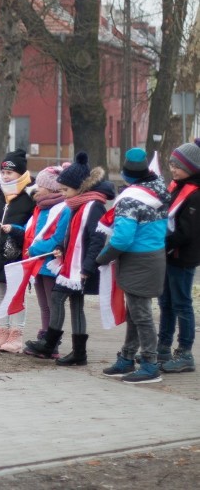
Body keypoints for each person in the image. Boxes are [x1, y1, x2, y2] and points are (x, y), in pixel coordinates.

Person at [24, 152, 114, 364]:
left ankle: (51, 343)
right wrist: (59, 247)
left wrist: (87, 267)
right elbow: (71, 235)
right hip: (70, 263)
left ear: (79, 187)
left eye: (65, 189)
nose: (63, 194)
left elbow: (96, 239)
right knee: (74, 304)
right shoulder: (78, 204)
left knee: (59, 298)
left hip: (82, 267)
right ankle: (77, 353)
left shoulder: (93, 206)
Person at [99, 148, 170, 383]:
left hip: (137, 260)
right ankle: (127, 358)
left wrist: (103, 256)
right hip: (154, 256)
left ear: (127, 174)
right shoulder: (159, 190)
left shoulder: (130, 199)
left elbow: (122, 238)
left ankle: (150, 364)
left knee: (141, 314)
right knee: (136, 312)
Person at [0, 149, 36, 352]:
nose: (5, 176)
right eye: (3, 172)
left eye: (10, 173)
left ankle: (16, 335)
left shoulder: (30, 196)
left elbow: (33, 227)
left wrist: (16, 231)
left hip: (17, 252)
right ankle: (1, 333)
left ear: (20, 173)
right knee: (1, 291)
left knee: (16, 294)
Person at [156, 139, 200, 373]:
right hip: (167, 253)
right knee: (166, 303)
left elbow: (187, 231)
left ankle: (185, 352)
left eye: (178, 166)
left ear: (192, 167)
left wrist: (163, 243)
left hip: (182, 257)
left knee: (182, 303)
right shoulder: (176, 187)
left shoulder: (194, 195)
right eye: (171, 164)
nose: (173, 169)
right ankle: (162, 346)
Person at [23, 165, 71, 357]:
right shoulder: (40, 207)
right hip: (37, 262)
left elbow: (57, 238)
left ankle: (53, 341)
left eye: (40, 185)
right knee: (43, 304)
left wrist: (34, 249)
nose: (36, 188)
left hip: (50, 262)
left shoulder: (62, 209)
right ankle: (44, 336)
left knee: (52, 304)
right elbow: (34, 231)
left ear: (52, 188)